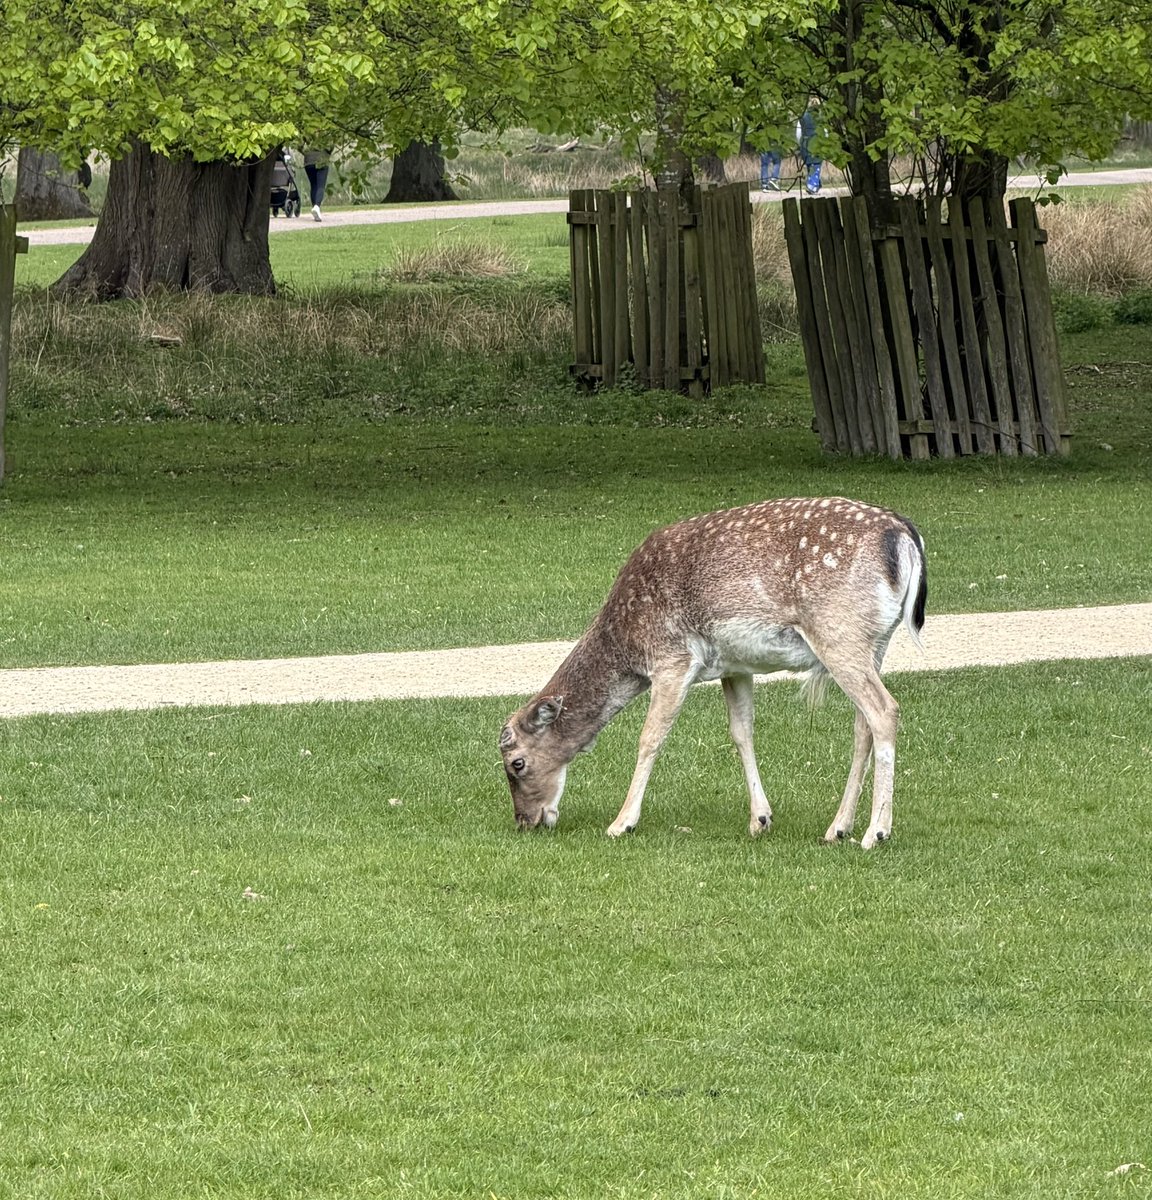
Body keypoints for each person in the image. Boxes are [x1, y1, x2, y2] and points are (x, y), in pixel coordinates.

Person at [798, 103, 823, 195]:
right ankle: (812, 186)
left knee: (810, 165)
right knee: (816, 164)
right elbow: (825, 131)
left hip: (805, 143)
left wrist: (800, 143)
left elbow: (798, 132)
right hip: (817, 143)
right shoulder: (820, 117)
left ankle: (816, 184)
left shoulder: (802, 116)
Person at [303, 148, 332, 221]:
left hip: (308, 160)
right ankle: (317, 206)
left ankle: (315, 209)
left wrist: (305, 153)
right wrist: (328, 153)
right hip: (322, 159)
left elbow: (299, 145)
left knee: (313, 185)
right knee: (320, 186)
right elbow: (330, 146)